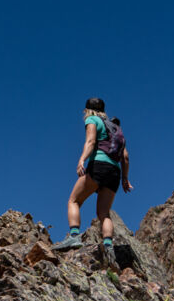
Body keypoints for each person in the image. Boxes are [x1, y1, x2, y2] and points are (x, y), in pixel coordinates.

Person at [54, 97, 132, 251]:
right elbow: (125, 157)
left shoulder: (92, 119)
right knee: (104, 212)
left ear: (87, 110)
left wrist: (82, 159)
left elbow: (90, 141)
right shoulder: (116, 128)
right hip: (114, 172)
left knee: (74, 201)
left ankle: (74, 237)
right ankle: (108, 246)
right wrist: (125, 179)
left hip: (99, 165)